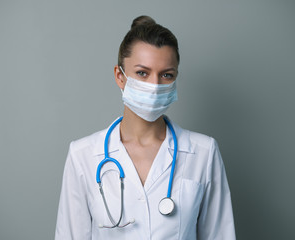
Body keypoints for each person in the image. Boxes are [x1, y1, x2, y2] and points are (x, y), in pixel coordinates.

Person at [55, 15, 236, 240]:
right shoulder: (83, 155)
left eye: (166, 75)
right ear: (120, 77)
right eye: (142, 73)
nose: (154, 86)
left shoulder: (203, 152)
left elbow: (220, 235)